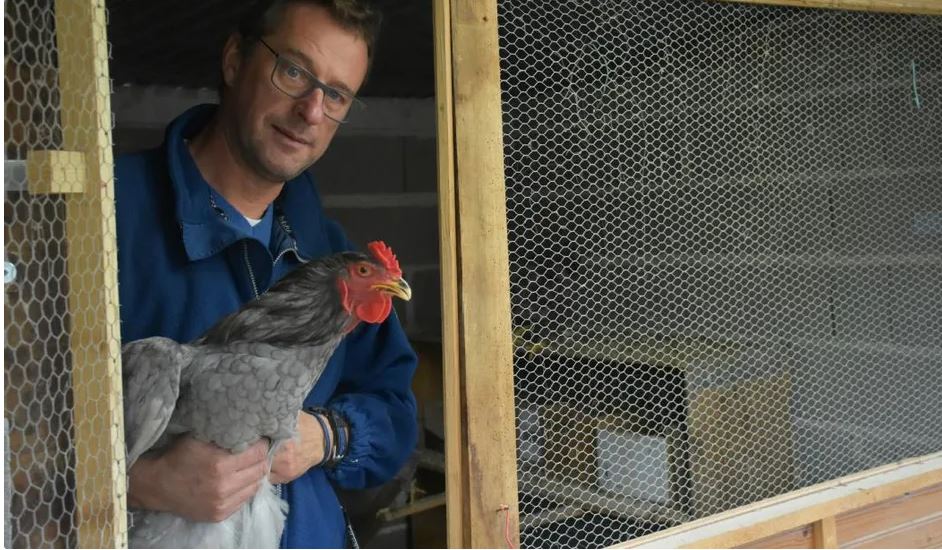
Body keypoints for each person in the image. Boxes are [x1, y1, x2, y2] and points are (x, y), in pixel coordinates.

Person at [113, 1, 418, 547]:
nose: (311, 112)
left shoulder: (333, 256)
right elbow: (19, 418)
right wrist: (141, 483)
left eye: (338, 94)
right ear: (234, 60)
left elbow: (394, 410)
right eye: (294, 72)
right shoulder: (105, 218)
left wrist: (324, 436)